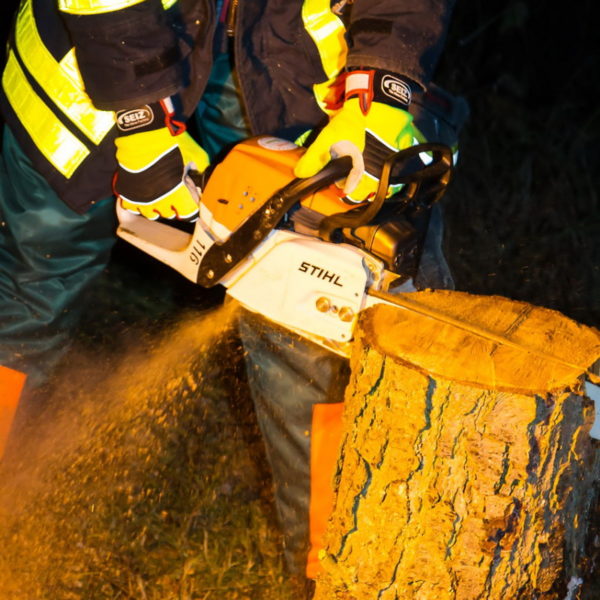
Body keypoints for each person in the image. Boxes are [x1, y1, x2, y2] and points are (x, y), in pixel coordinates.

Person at [0, 0, 467, 593]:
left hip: (287, 60)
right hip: (89, 71)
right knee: (32, 292)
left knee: (315, 329)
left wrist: (382, 82)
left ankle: (336, 578)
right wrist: (142, 121)